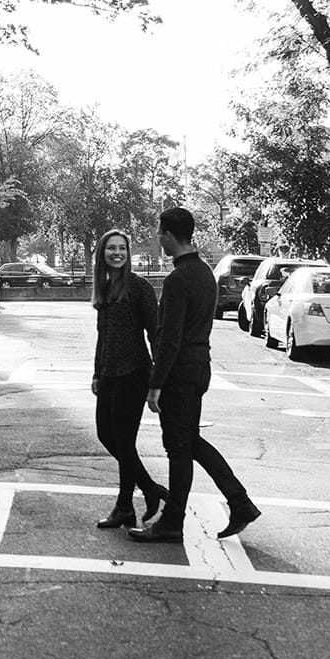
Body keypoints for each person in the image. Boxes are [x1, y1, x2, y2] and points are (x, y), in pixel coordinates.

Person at [130, 206, 263, 545]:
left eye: (160, 233)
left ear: (170, 235)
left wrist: (156, 385)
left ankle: (174, 521)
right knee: (188, 443)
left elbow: (170, 338)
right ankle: (239, 503)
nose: (158, 239)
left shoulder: (177, 279)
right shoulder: (205, 273)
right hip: (198, 368)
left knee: (178, 447)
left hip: (178, 375)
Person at [88, 227, 164, 529]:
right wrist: (96, 373)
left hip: (134, 374)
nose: (117, 253)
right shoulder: (104, 288)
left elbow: (155, 333)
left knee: (124, 440)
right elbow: (102, 336)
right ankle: (149, 489)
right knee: (106, 435)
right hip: (108, 374)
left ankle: (124, 507)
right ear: (102, 254)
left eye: (121, 248)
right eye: (111, 249)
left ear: (128, 253)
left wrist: (157, 379)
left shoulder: (139, 287)